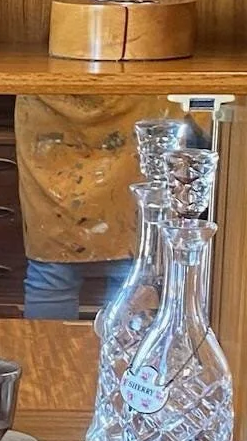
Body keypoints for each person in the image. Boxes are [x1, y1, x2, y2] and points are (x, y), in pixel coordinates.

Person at [13, 93, 176, 321]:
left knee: (129, 268)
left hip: (131, 98)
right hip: (130, 86)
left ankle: (113, 353)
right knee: (128, 271)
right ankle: (119, 354)